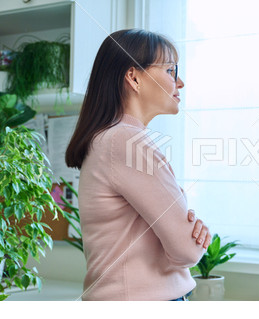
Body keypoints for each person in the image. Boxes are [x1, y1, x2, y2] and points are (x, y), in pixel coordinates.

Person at [65, 29, 211, 301]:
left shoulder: (110, 139)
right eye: (170, 70)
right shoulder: (126, 142)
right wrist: (197, 236)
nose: (180, 82)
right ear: (133, 77)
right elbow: (187, 251)